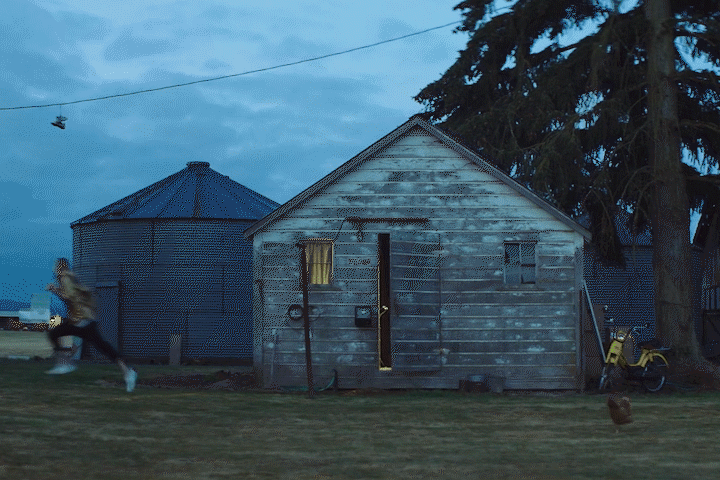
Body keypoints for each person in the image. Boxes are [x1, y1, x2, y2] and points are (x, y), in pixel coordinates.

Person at [45, 258, 137, 392]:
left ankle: (65, 362)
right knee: (104, 347)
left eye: (55, 267)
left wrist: (54, 290)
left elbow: (69, 297)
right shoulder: (70, 278)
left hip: (81, 321)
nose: (54, 269)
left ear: (60, 267)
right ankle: (128, 372)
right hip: (83, 320)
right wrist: (58, 289)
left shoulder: (65, 278)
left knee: (54, 334)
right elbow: (72, 295)